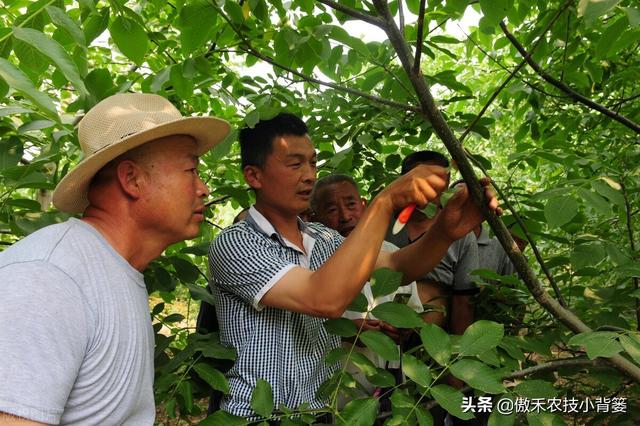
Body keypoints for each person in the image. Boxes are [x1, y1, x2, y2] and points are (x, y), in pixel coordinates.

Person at [208, 113, 499, 420]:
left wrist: (445, 230)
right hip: (259, 417)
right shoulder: (236, 243)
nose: (309, 175)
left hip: (319, 413)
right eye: (295, 164)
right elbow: (323, 300)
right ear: (254, 176)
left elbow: (397, 266)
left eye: (312, 163)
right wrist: (385, 202)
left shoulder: (325, 238)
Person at [0, 93, 230, 425]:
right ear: (132, 179)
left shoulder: (113, 271)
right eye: (191, 169)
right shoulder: (47, 280)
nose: (203, 188)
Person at [311, 173, 423, 399]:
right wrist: (343, 331)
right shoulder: (311, 262)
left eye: (351, 204)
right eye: (332, 210)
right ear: (315, 218)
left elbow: (413, 312)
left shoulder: (391, 253)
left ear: (364, 206)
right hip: (334, 392)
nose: (345, 216)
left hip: (389, 387)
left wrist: (404, 328)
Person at [386, 151, 479, 336]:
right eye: (420, 179)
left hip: (433, 340)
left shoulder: (461, 235)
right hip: (380, 332)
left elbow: (463, 300)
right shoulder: (383, 225)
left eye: (435, 180)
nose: (428, 188)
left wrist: (459, 352)